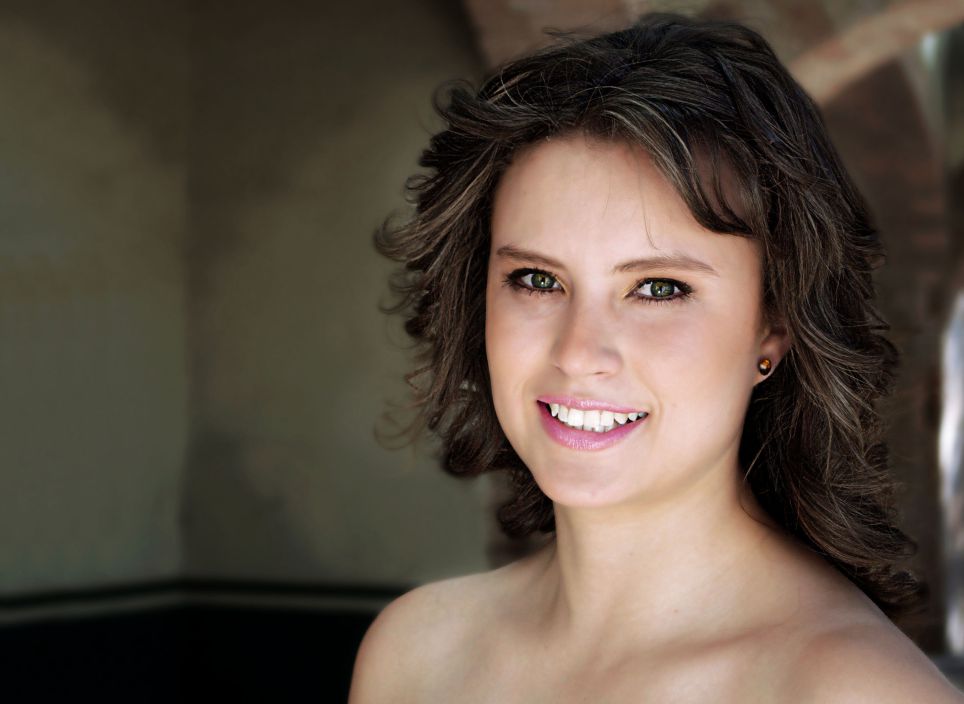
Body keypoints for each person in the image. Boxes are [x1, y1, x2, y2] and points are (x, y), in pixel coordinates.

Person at [349, 12, 964, 703]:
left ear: (774, 326)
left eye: (659, 288)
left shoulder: (855, 692)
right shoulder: (416, 655)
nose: (578, 353)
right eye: (538, 279)